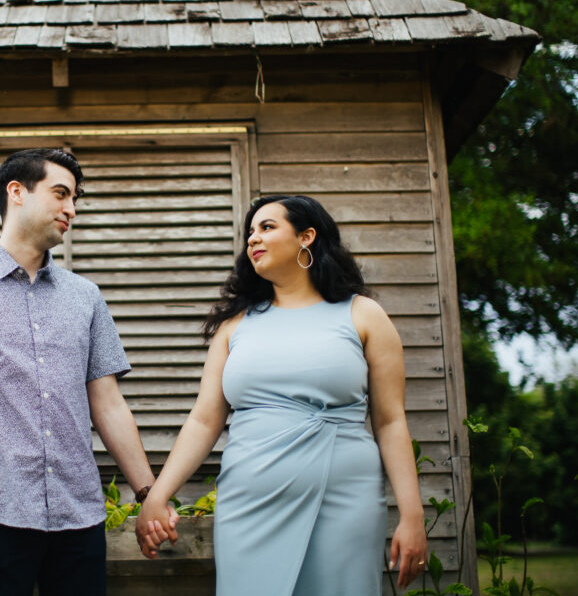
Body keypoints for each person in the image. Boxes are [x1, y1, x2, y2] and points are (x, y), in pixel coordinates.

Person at [136, 194, 428, 594]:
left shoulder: (363, 315)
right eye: (250, 232)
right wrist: (158, 494)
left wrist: (412, 516)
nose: (253, 238)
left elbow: (391, 421)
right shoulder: (234, 326)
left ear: (307, 236)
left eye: (267, 227)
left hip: (345, 498)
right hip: (250, 501)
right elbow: (204, 419)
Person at [0, 148, 175, 595]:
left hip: (80, 519)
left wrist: (148, 494)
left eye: (75, 199)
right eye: (60, 194)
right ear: (16, 193)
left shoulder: (86, 297)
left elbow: (109, 405)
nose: (71, 209)